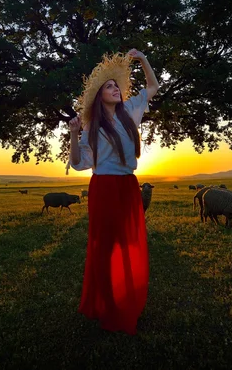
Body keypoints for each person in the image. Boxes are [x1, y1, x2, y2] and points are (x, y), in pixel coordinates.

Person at [68, 48, 159, 335]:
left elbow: (154, 86)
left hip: (128, 187)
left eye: (116, 86)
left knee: (130, 244)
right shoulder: (91, 126)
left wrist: (143, 60)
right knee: (105, 247)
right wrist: (72, 134)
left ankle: (126, 299)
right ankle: (107, 304)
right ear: (99, 96)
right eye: (109, 87)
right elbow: (78, 163)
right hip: (104, 187)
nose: (115, 89)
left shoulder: (131, 110)